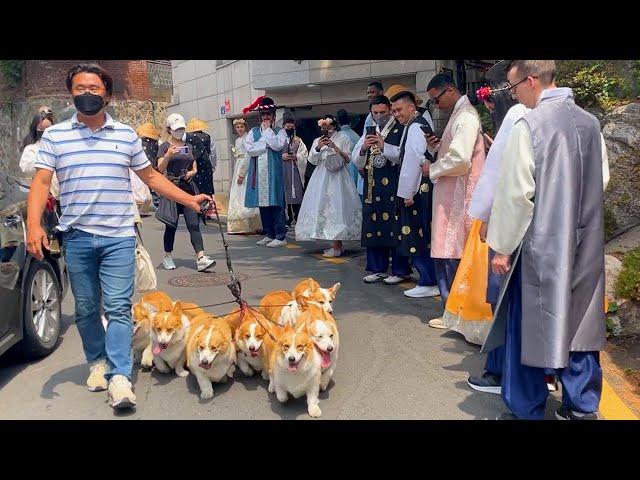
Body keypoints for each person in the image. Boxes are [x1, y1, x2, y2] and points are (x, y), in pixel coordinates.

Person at [26, 63, 212, 410]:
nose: (87, 94)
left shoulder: (125, 136)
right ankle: (96, 360)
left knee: (118, 308)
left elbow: (152, 179)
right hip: (77, 237)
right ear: (71, 93)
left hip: (119, 237)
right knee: (84, 308)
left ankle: (120, 376)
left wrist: (190, 199)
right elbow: (40, 182)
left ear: (107, 95)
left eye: (94, 88)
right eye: (80, 88)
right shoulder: (56, 136)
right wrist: (34, 225)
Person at [483, 60, 610, 420]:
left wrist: (503, 246)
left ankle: (526, 408)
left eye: (513, 87)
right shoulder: (590, 122)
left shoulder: (529, 123)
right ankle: (582, 406)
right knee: (581, 322)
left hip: (541, 242)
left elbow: (516, 194)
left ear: (531, 80)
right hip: (584, 238)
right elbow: (600, 179)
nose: (513, 95)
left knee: (529, 323)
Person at [424, 73, 486, 328]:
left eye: (436, 100)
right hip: (453, 195)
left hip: (458, 198)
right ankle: (455, 313)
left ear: (449, 90)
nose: (436, 105)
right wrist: (438, 150)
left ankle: (455, 314)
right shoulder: (462, 116)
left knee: (451, 254)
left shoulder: (466, 117)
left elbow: (460, 159)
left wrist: (433, 169)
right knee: (449, 253)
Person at [352, 95, 410, 283]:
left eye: (383, 112)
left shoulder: (401, 129)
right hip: (373, 187)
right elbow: (356, 160)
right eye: (375, 113)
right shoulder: (368, 132)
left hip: (393, 186)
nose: (379, 116)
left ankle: (400, 271)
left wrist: (384, 145)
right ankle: (378, 268)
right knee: (374, 225)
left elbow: (403, 157)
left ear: (390, 111)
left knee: (395, 227)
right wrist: (363, 149)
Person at [388, 91, 438, 293]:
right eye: (394, 111)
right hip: (419, 188)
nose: (396, 114)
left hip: (416, 191)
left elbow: (415, 161)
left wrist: (408, 193)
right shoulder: (414, 126)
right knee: (419, 236)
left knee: (415, 237)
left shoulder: (416, 127)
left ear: (411, 108)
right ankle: (428, 279)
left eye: (399, 110)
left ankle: (428, 281)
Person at [157, 112, 216, 272]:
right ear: (169, 130)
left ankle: (201, 257)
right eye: (176, 129)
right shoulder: (164, 147)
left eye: (182, 128)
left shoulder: (189, 146)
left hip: (188, 188)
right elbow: (160, 169)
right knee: (171, 224)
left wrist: (193, 172)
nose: (179, 131)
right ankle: (168, 256)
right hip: (171, 189)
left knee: (193, 223)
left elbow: (194, 166)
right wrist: (168, 155)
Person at [296, 115, 361, 257]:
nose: (326, 130)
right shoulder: (316, 141)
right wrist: (319, 147)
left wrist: (335, 147)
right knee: (324, 206)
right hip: (321, 175)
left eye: (328, 127)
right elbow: (312, 160)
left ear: (334, 126)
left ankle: (337, 246)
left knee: (337, 207)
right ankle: (335, 244)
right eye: (323, 127)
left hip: (338, 176)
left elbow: (348, 158)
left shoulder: (343, 138)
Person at [243, 96, 289, 247]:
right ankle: (269, 233)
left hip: (273, 172)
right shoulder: (253, 131)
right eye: (263, 114)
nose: (266, 117)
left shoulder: (279, 131)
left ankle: (280, 236)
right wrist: (265, 144)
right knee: (263, 204)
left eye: (269, 114)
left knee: (276, 202)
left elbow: (277, 146)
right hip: (259, 172)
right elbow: (250, 149)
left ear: (273, 115)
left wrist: (267, 135)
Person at [227, 118, 262, 234]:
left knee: (244, 192)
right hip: (238, 165)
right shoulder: (237, 140)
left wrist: (242, 173)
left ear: (245, 127)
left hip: (245, 166)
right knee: (238, 193)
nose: (239, 129)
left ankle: (250, 224)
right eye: (237, 127)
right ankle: (241, 224)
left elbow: (247, 155)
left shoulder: (248, 139)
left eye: (241, 127)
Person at [19, 112, 60, 199]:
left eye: (49, 128)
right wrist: (45, 160)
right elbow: (26, 168)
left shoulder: (60, 147)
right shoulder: (31, 149)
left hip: (60, 196)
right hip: (40, 196)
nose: (45, 132)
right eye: (42, 129)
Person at [186, 118, 216, 217]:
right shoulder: (208, 137)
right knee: (207, 188)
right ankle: (209, 210)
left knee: (195, 187)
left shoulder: (188, 138)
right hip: (206, 164)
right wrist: (213, 166)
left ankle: (196, 209)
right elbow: (213, 153)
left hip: (194, 165)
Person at [281, 116, 308, 228]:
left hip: (295, 169)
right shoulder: (279, 139)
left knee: (297, 193)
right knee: (285, 193)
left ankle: (297, 217)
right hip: (283, 169)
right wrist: (281, 156)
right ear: (283, 127)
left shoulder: (298, 140)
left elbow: (304, 153)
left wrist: (297, 157)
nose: (290, 128)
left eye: (291, 127)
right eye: (288, 127)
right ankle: (287, 218)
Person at [337, 108, 361, 189]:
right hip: (356, 167)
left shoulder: (337, 137)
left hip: (344, 168)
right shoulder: (357, 136)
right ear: (350, 123)